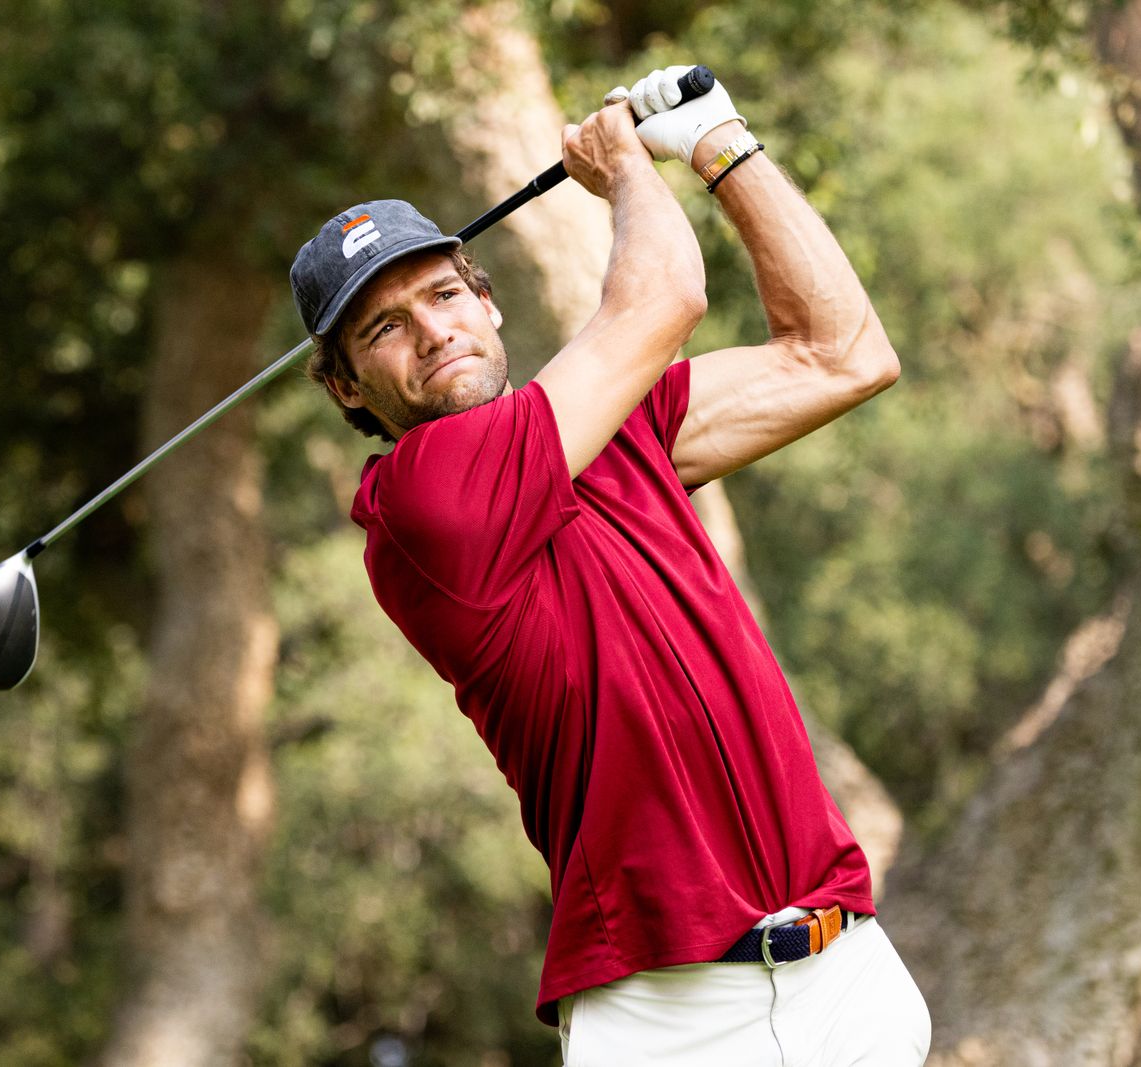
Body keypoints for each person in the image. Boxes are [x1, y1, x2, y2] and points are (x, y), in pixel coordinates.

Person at [288, 65, 930, 1066]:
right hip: (669, 1018)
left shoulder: (613, 431)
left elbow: (842, 352)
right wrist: (629, 169)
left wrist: (724, 144)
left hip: (845, 969)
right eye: (384, 327)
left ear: (488, 303)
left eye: (445, 294)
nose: (433, 330)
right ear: (344, 387)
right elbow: (665, 293)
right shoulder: (419, 500)